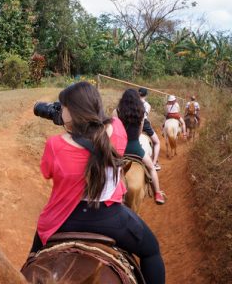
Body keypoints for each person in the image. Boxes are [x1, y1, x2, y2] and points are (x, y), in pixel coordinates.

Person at [29, 82, 165, 284]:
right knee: (152, 251)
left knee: (33, 260)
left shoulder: (55, 145)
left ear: (73, 111)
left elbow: (47, 172)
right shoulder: (117, 130)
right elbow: (104, 131)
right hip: (111, 218)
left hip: (63, 218)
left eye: (64, 106)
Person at [116, 89, 166, 205]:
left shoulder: (117, 111)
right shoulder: (141, 112)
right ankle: (157, 193)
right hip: (135, 147)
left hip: (120, 148)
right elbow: (139, 133)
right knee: (152, 168)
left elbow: (116, 129)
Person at [138, 87, 162, 171]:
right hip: (143, 124)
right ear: (146, 95)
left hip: (131, 124)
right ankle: (154, 163)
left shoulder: (132, 102)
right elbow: (142, 118)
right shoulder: (147, 105)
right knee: (157, 142)